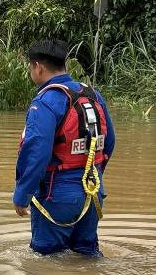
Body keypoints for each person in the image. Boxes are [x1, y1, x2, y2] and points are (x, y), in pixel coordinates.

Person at [13, 40, 115, 257]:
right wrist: (93, 174)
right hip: (93, 190)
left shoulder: (45, 102)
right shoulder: (93, 94)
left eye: (31, 67)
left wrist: (22, 194)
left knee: (45, 263)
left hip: (57, 194)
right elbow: (109, 141)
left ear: (38, 67)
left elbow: (36, 154)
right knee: (87, 255)